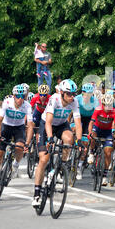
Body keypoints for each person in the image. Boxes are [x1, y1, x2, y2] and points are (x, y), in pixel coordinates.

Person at [32, 79, 83, 208]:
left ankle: (62, 166)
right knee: (44, 159)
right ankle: (37, 193)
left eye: (73, 94)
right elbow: (48, 122)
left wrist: (80, 140)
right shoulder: (54, 99)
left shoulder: (74, 102)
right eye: (69, 94)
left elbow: (77, 123)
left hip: (61, 125)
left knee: (70, 139)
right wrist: (50, 139)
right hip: (47, 126)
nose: (72, 97)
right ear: (61, 93)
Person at [0, 85, 34, 194]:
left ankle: (15, 165)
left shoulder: (27, 106)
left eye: (22, 96)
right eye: (17, 96)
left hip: (19, 128)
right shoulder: (7, 102)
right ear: (13, 96)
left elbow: (30, 125)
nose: (20, 98)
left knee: (19, 147)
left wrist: (27, 143)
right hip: (6, 127)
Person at [88, 92, 115, 186]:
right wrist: (90, 132)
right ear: (103, 104)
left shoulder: (114, 112)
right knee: (93, 134)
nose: (107, 108)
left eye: (109, 105)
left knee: (108, 152)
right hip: (97, 129)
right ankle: (91, 152)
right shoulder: (98, 109)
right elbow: (91, 123)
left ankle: (104, 175)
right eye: (105, 105)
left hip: (107, 132)